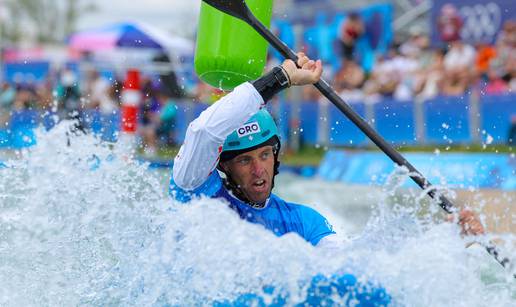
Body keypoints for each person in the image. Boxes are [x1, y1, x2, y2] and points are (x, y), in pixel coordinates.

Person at [170, 52, 485, 247]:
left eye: (265, 155)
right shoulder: (196, 190)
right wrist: (280, 79)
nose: (258, 170)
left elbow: (353, 264)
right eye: (244, 160)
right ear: (223, 166)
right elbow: (204, 132)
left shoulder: (302, 221)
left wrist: (446, 240)